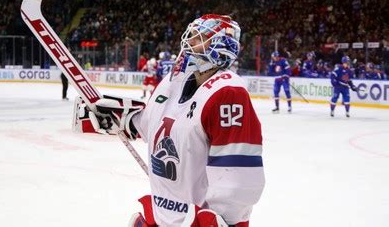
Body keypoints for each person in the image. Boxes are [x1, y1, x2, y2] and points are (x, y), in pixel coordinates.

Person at [86, 14, 265, 226]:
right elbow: (152, 123)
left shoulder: (228, 93)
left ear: (221, 46)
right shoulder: (174, 81)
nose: (189, 42)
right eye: (191, 37)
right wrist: (119, 118)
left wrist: (225, 219)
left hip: (197, 220)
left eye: (199, 39)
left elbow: (238, 170)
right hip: (163, 214)